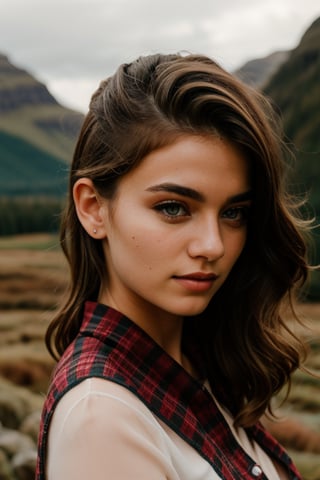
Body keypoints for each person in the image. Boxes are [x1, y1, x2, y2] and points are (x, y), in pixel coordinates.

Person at [36, 53, 310, 480]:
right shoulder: (102, 421)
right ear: (94, 209)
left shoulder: (199, 370)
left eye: (234, 212)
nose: (212, 245)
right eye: (172, 208)